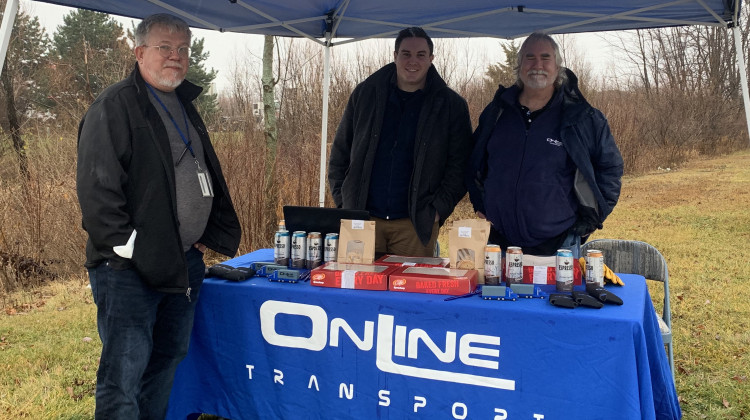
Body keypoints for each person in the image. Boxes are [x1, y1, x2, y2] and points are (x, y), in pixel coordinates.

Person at [76, 13, 241, 419]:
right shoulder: (115, 106)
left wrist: (205, 232)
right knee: (124, 374)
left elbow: (203, 175)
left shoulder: (182, 103)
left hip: (182, 262)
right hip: (128, 269)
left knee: (166, 362)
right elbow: (98, 191)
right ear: (139, 52)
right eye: (165, 48)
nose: (176, 57)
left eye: (183, 49)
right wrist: (131, 250)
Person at [466, 32, 623, 258]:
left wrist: (592, 218)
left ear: (557, 67)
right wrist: (479, 205)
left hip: (559, 245)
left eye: (545, 58)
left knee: (556, 296)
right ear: (519, 66)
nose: (537, 64)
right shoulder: (496, 113)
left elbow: (610, 168)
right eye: (529, 57)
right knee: (497, 296)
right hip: (498, 242)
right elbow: (473, 162)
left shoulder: (582, 118)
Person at [328, 27, 473, 257]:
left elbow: (461, 165)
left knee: (409, 292)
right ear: (395, 56)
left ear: (431, 59)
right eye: (406, 54)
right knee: (357, 290)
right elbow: (339, 154)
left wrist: (436, 210)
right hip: (362, 222)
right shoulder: (365, 94)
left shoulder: (450, 105)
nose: (412, 61)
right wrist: (345, 202)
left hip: (414, 226)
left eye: (420, 55)